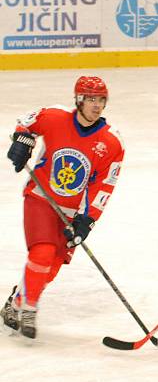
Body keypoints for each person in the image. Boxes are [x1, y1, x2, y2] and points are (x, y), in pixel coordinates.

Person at [1, 76, 124, 340]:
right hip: (41, 198)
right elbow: (26, 122)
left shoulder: (112, 142)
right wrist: (23, 142)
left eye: (101, 99)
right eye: (91, 99)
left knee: (51, 267)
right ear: (79, 99)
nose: (97, 105)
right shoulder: (55, 117)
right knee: (42, 253)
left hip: (71, 210)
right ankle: (30, 308)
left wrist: (88, 219)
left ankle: (17, 300)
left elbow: (104, 186)